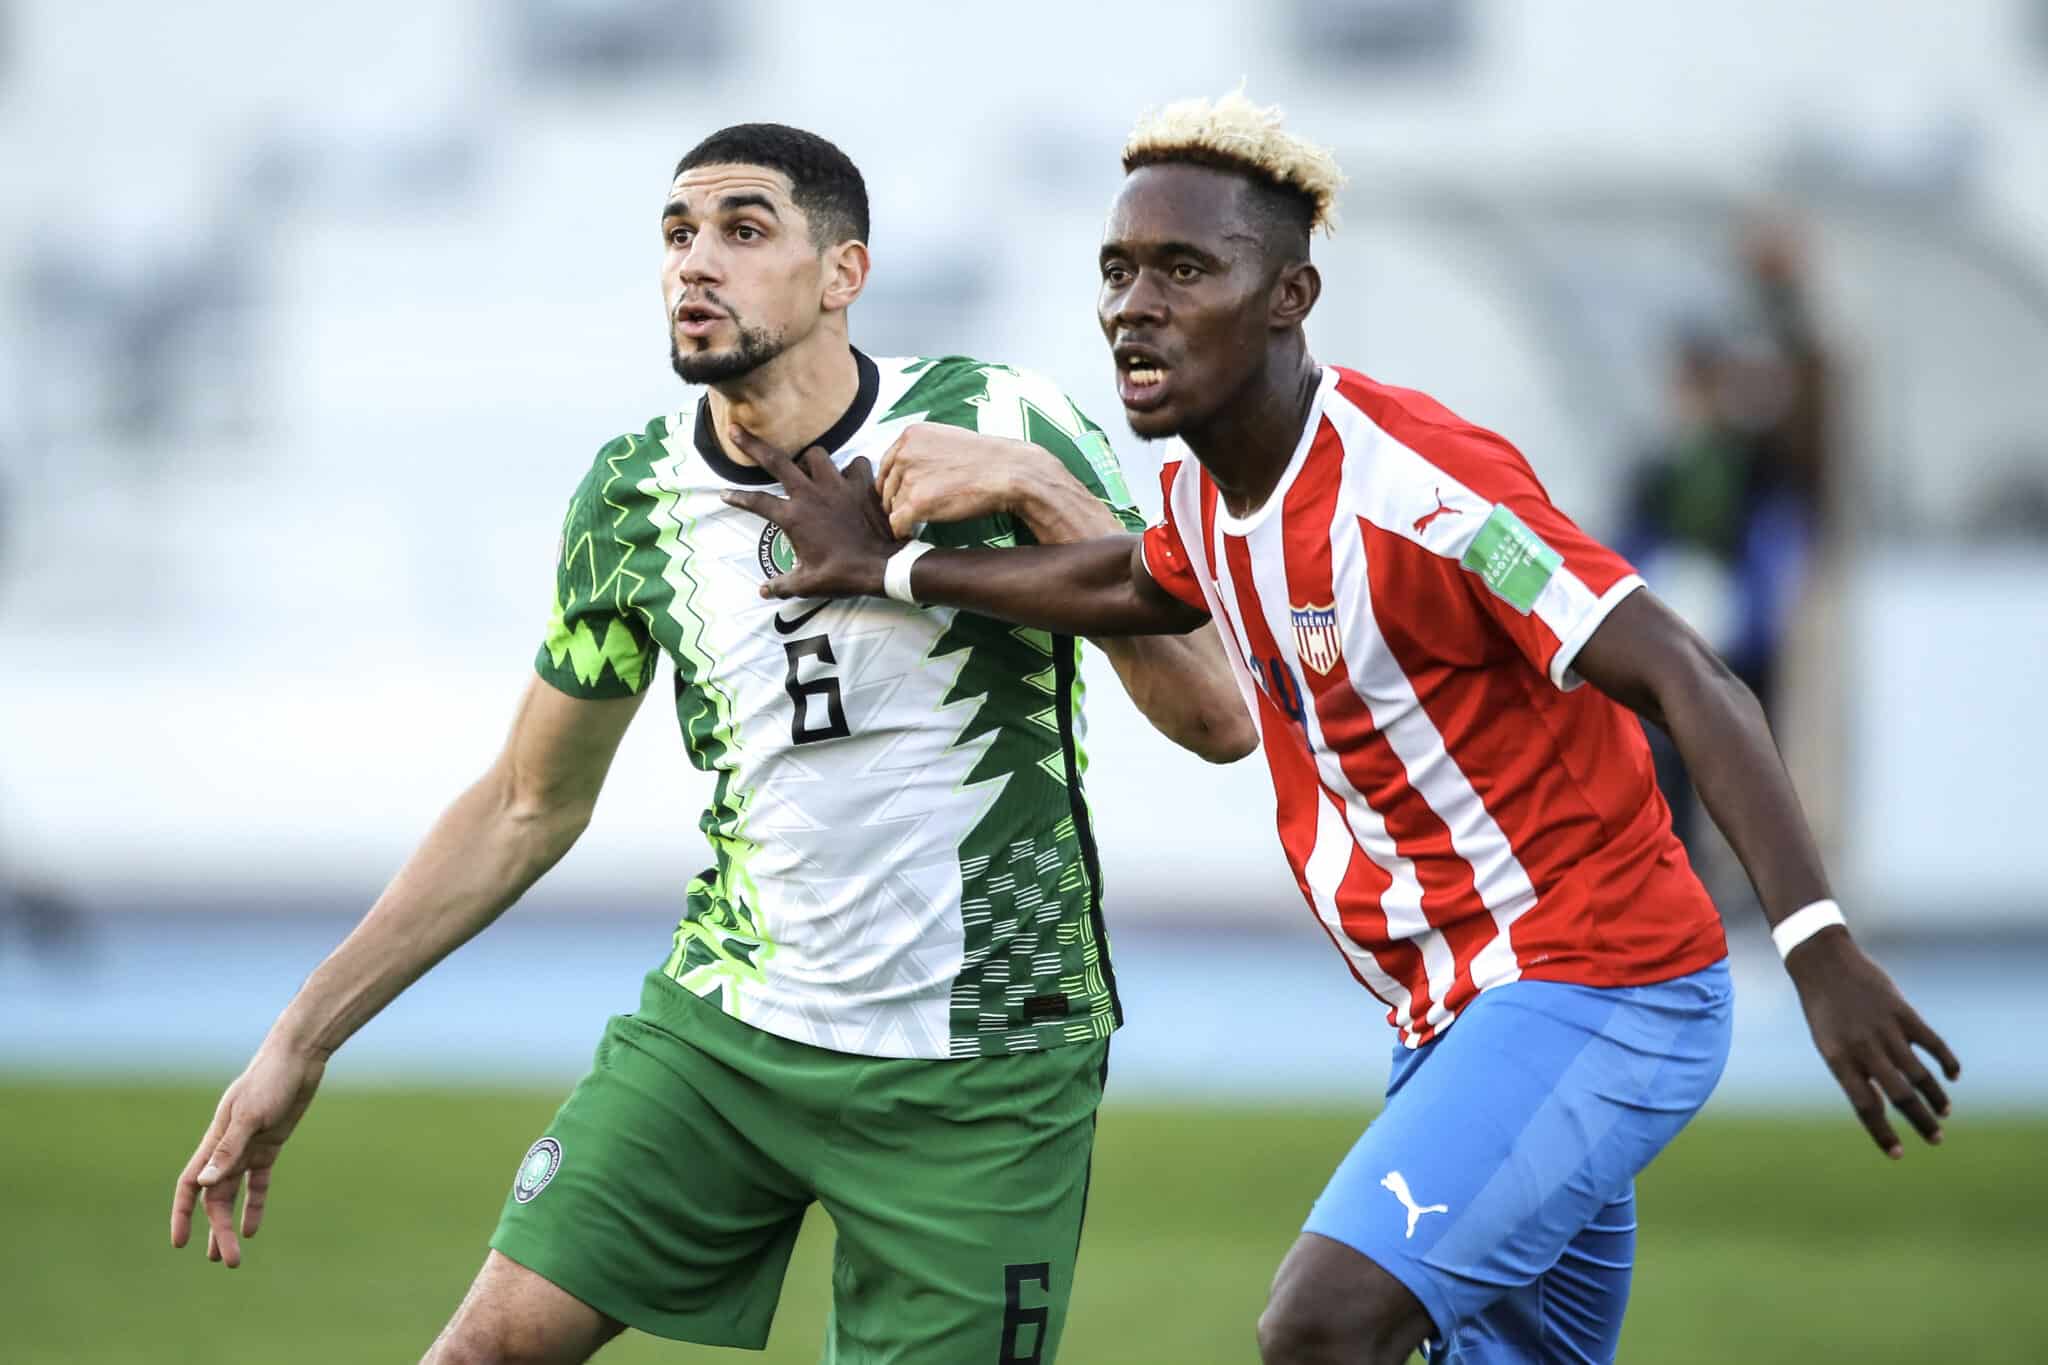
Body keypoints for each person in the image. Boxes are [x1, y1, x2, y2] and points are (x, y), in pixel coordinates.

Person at [726, 94, 1963, 1365]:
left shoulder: (1418, 487)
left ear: (1288, 298)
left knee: (1318, 1326)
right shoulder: (1210, 488)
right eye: (1117, 270)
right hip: (1451, 1012)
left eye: (1183, 270)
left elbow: (1694, 679)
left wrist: (1817, 949)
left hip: (1595, 983)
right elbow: (1132, 583)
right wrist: (893, 575)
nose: (1131, 306)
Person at [167, 122, 1251, 1365]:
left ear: (842, 272)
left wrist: (1035, 490)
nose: (696, 265)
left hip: (984, 1065)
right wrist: (297, 1043)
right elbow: (529, 802)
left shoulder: (999, 417)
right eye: (678, 235)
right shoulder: (629, 499)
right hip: (726, 1037)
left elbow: (1217, 717)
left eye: (743, 232)